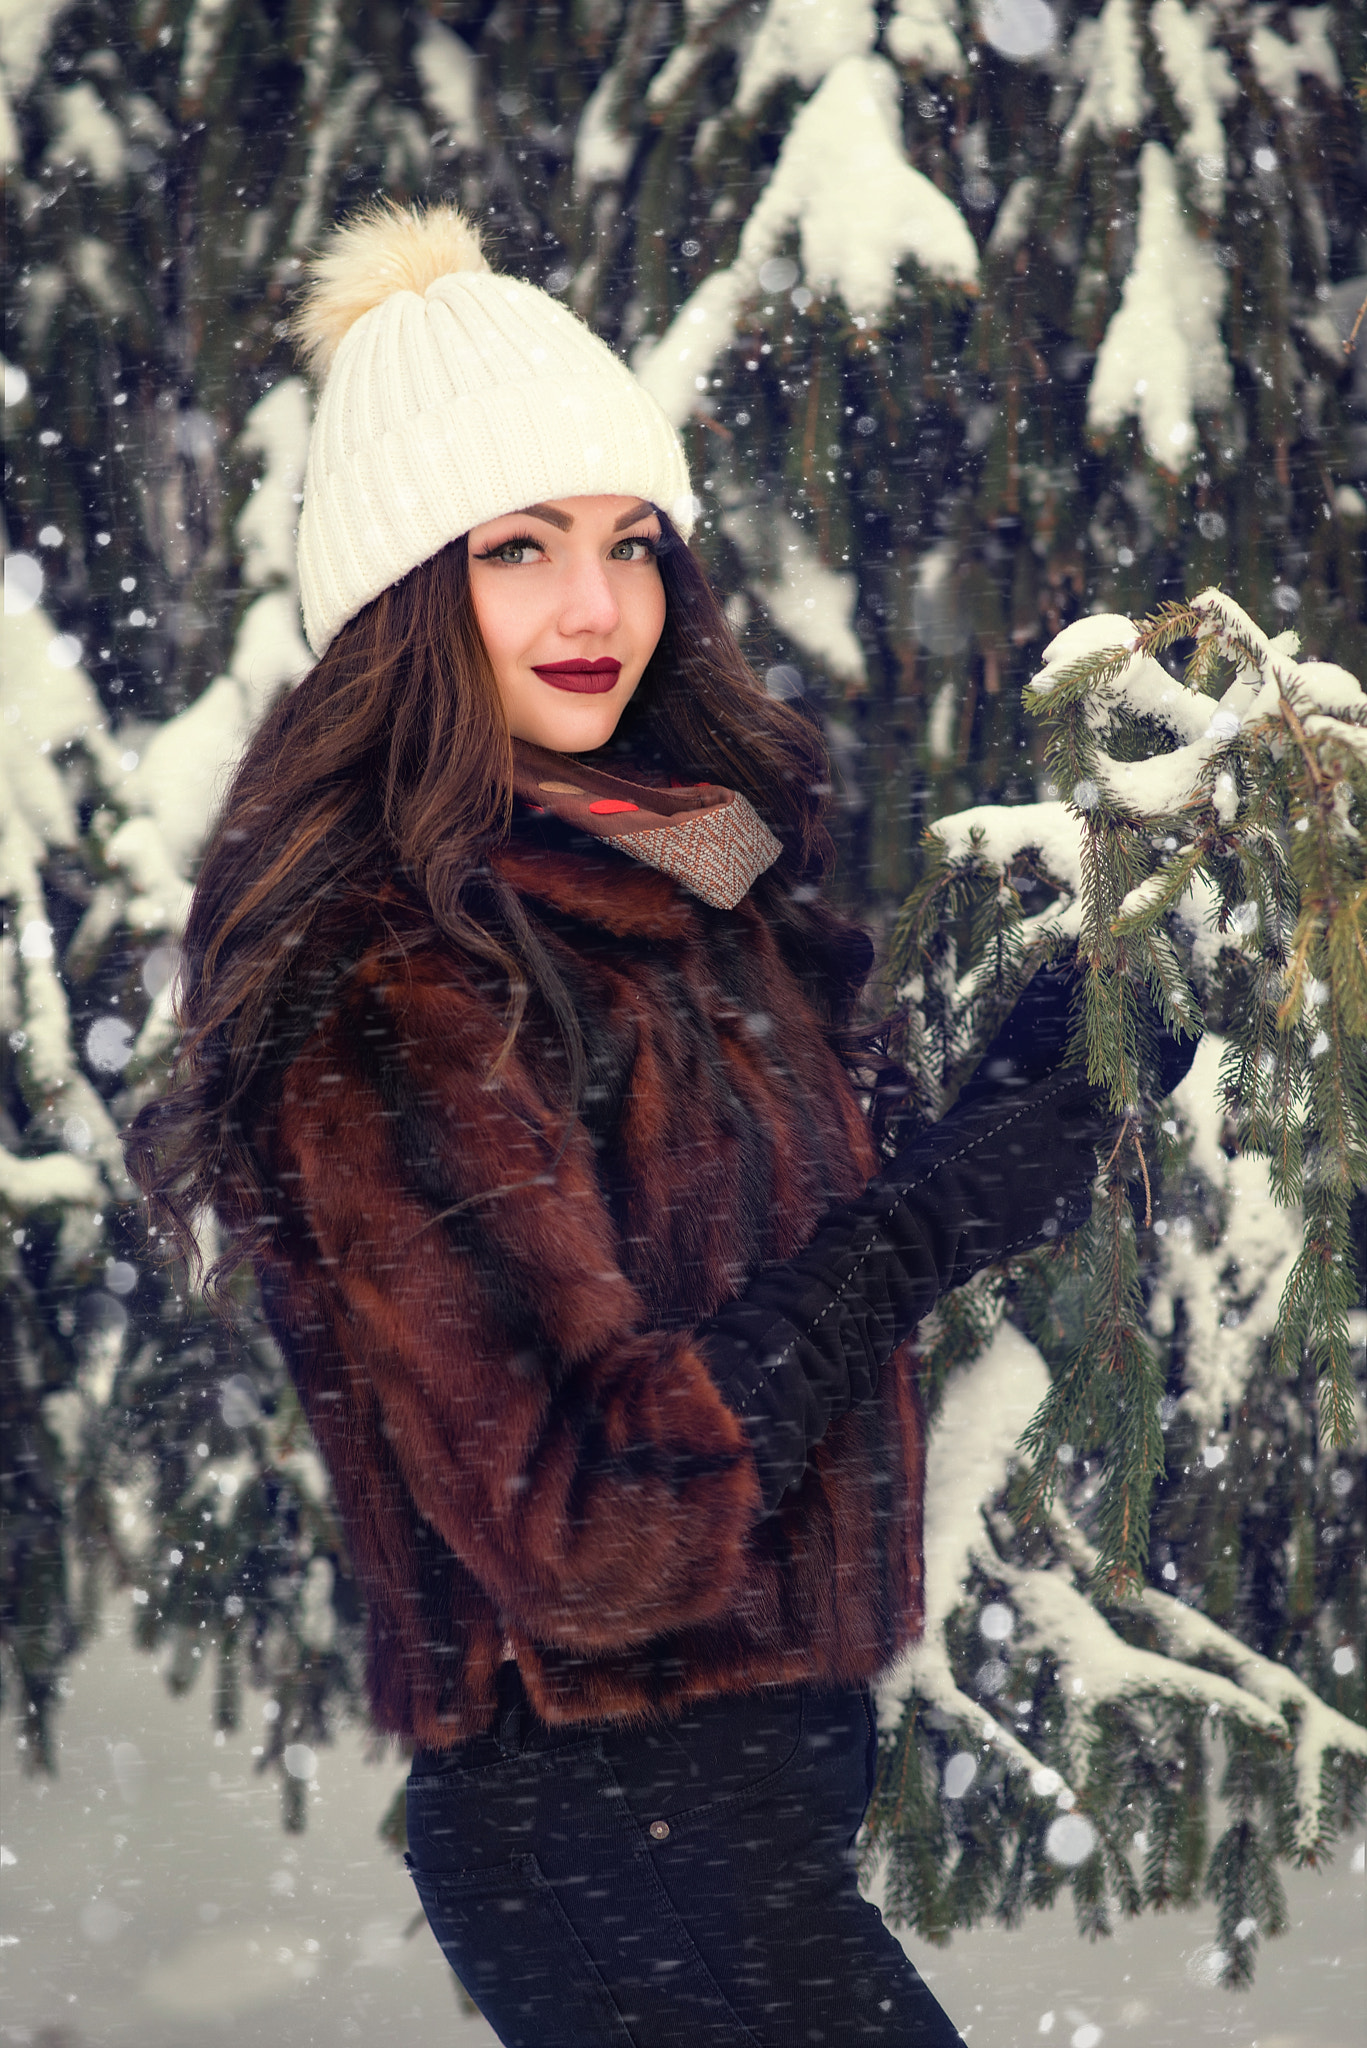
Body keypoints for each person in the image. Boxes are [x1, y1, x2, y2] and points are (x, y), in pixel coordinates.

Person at [128, 203, 1194, 2047]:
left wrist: (1025, 1095)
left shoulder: (687, 846)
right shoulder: (387, 970)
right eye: (516, 549)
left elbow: (781, 1252)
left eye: (631, 542)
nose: (595, 607)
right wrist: (928, 1219)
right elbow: (594, 1527)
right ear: (402, 599)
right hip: (607, 1839)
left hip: (751, 1811)